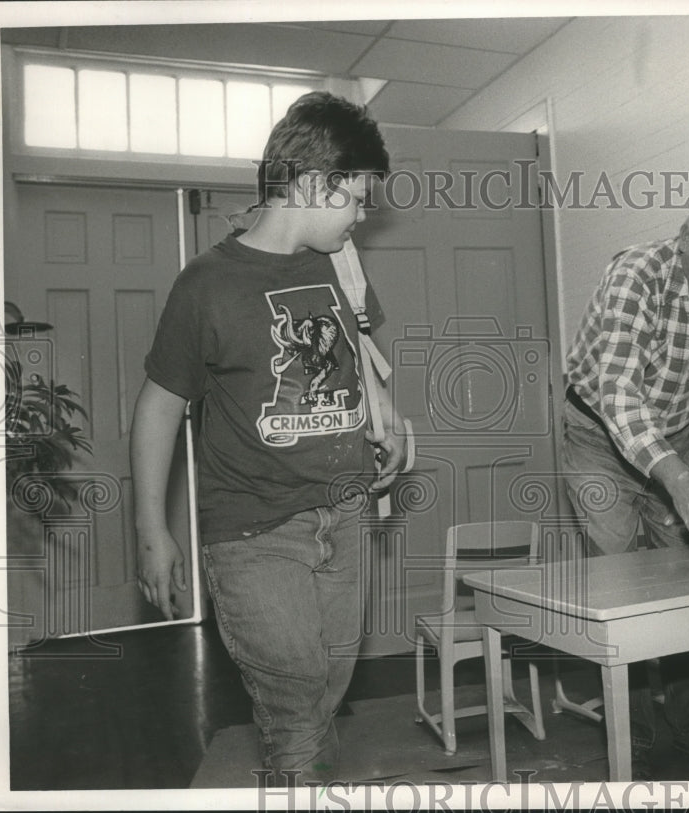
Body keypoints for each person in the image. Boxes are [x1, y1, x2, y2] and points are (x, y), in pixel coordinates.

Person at [130, 92, 407, 785]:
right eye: (356, 197)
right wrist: (151, 529)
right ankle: (297, 769)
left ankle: (305, 761)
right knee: (293, 696)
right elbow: (158, 408)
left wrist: (387, 413)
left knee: (325, 685)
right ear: (315, 185)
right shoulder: (207, 286)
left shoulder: (339, 260)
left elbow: (359, 347)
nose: (362, 214)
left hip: (344, 512)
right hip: (254, 530)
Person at [562, 179, 689, 775]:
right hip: (598, 435)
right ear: (685, 240)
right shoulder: (636, 276)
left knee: (687, 579)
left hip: (677, 437)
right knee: (624, 583)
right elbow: (619, 392)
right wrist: (678, 480)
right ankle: (631, 731)